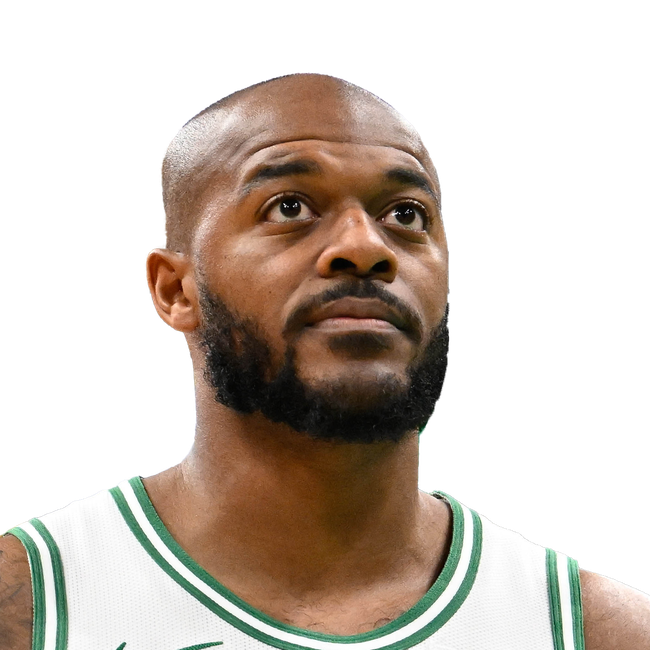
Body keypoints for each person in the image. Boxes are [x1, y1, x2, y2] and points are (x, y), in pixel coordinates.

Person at [1, 72, 648, 649]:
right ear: (175, 290)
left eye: (405, 214)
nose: (365, 247)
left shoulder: (603, 632)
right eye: (290, 207)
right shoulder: (28, 606)